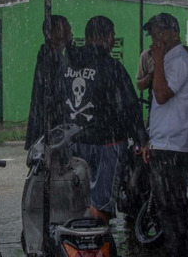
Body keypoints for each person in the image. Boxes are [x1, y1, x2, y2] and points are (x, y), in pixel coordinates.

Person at [63, 16, 147, 225]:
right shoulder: (112, 67)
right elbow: (128, 106)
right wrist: (141, 139)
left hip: (73, 142)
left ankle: (78, 243)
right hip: (107, 144)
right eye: (112, 36)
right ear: (108, 37)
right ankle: (97, 247)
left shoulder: (66, 66)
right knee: (100, 203)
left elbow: (55, 102)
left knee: (76, 200)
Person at [141, 13, 188, 257]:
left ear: (173, 32)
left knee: (171, 204)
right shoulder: (172, 60)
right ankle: (182, 255)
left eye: (158, 33)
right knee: (171, 204)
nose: (154, 39)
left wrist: (160, 60)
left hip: (173, 147)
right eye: (152, 34)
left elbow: (162, 95)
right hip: (167, 143)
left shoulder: (177, 61)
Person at [25, 15, 73, 150]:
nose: (70, 34)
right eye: (66, 31)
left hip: (48, 122)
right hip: (50, 123)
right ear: (52, 35)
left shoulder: (53, 55)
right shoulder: (51, 57)